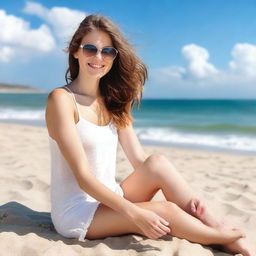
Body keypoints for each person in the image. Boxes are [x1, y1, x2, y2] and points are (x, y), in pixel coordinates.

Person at [45, 14, 254, 256]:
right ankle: (219, 237)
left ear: (115, 57)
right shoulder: (61, 100)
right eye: (90, 48)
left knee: (158, 163)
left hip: (111, 198)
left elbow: (140, 161)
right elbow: (83, 177)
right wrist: (136, 213)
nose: (99, 57)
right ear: (75, 51)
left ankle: (211, 222)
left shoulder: (114, 101)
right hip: (77, 213)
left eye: (108, 51)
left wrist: (182, 195)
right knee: (165, 210)